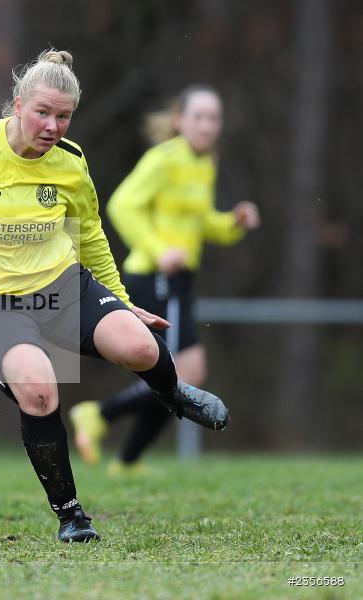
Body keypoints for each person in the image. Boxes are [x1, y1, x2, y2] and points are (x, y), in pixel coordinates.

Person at [0, 49, 229, 544]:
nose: (54, 126)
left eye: (64, 116)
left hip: (62, 284)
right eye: (43, 112)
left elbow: (90, 233)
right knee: (39, 389)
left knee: (140, 346)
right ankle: (71, 514)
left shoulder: (71, 163)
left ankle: (173, 394)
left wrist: (121, 299)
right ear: (17, 105)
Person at [70, 85, 260, 473]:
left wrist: (232, 223)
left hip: (180, 279)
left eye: (214, 118)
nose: (208, 126)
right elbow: (122, 205)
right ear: (180, 120)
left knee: (187, 374)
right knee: (178, 373)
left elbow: (202, 222)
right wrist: (160, 250)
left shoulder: (203, 163)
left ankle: (125, 458)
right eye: (199, 117)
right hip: (151, 274)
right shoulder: (163, 159)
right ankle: (100, 418)